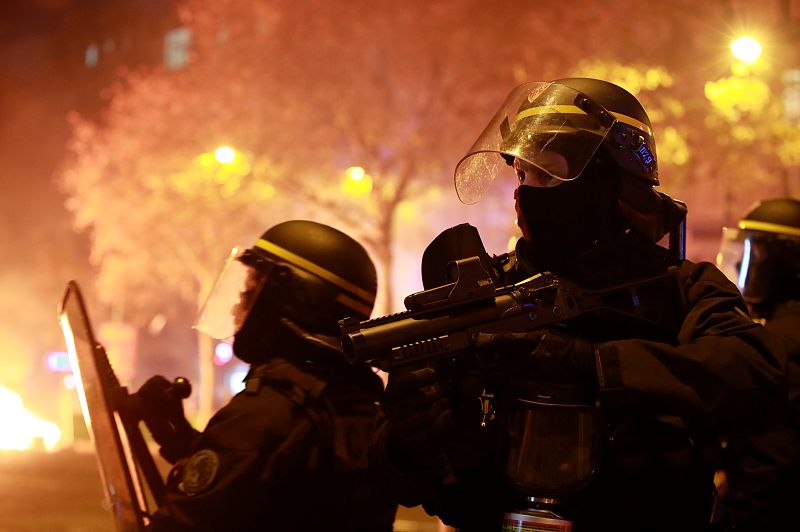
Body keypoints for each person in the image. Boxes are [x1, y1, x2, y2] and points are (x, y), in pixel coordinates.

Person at [372, 79, 784, 531]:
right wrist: (405, 445)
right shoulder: (486, 297)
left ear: (610, 184)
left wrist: (595, 365)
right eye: (522, 175)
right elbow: (405, 481)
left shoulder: (683, 290)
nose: (523, 193)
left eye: (548, 174)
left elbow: (753, 373)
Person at [135, 220, 398, 531]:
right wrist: (182, 443)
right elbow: (278, 491)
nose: (238, 306)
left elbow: (183, 524)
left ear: (291, 299)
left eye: (250, 291)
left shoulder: (267, 413)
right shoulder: (359, 401)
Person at [714, 198, 800, 530]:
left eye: (757, 255)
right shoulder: (778, 332)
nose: (743, 267)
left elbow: (771, 455)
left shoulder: (780, 342)